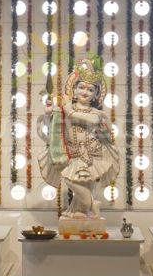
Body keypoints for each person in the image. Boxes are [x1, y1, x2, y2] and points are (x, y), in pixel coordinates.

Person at [38, 57, 119, 218]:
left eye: (90, 90)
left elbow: (93, 121)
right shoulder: (64, 109)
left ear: (95, 94)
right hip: (71, 153)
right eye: (81, 87)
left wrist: (69, 111)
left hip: (92, 154)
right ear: (74, 90)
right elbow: (52, 126)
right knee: (70, 179)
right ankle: (89, 205)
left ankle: (81, 210)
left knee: (84, 184)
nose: (85, 92)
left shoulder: (96, 113)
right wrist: (48, 113)